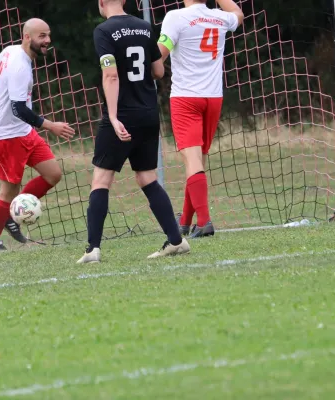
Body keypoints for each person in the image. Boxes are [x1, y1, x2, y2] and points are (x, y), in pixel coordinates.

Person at [77, 0, 191, 263]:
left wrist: (114, 117)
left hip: (123, 115)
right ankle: (176, 240)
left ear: (101, 2)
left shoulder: (103, 31)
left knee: (101, 180)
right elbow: (159, 70)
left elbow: (111, 75)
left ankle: (92, 249)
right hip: (148, 113)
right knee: (147, 177)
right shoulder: (143, 26)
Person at [0, 18, 75, 252]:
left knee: (53, 174)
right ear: (27, 37)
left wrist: (1, 93)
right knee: (8, 190)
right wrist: (51, 125)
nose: (48, 41)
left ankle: (14, 213)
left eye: (48, 35)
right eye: (42, 36)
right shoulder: (20, 64)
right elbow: (19, 109)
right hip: (5, 136)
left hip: (23, 131)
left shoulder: (11, 51)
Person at [157, 0, 244, 238]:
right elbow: (238, 13)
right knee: (197, 161)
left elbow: (160, 54)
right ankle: (184, 221)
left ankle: (204, 222)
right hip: (213, 98)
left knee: (192, 161)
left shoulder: (175, 17)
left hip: (186, 98)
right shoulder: (221, 18)